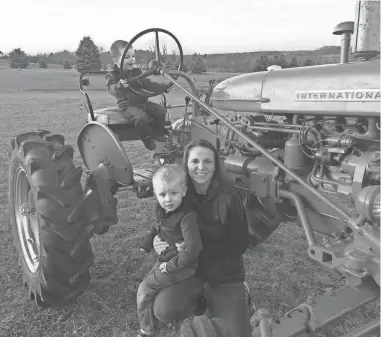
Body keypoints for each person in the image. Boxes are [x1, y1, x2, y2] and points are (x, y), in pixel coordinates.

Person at [151, 139, 252, 337]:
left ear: (215, 165)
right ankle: (200, 301)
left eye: (207, 161)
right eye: (195, 161)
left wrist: (196, 250)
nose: (201, 167)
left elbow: (241, 244)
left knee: (238, 334)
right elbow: (164, 225)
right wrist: (158, 239)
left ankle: (240, 295)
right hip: (190, 272)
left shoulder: (230, 197)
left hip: (225, 275)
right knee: (164, 310)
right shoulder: (177, 195)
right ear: (186, 165)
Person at [136, 164, 203, 337]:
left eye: (174, 193)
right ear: (155, 194)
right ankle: (153, 322)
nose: (168, 199)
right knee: (150, 286)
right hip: (166, 259)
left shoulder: (187, 217)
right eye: (162, 194)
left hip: (181, 265)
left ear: (184, 191)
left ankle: (146, 330)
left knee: (144, 289)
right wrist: (148, 241)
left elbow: (194, 247)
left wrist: (172, 266)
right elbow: (157, 226)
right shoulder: (163, 210)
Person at [106, 40, 172, 150]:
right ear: (116, 60)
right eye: (127, 57)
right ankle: (146, 138)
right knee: (141, 118)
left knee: (161, 111)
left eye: (133, 56)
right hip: (127, 105)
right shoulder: (113, 75)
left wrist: (163, 87)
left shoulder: (136, 72)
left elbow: (148, 84)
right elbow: (111, 89)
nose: (132, 59)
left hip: (143, 103)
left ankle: (157, 134)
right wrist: (119, 86)